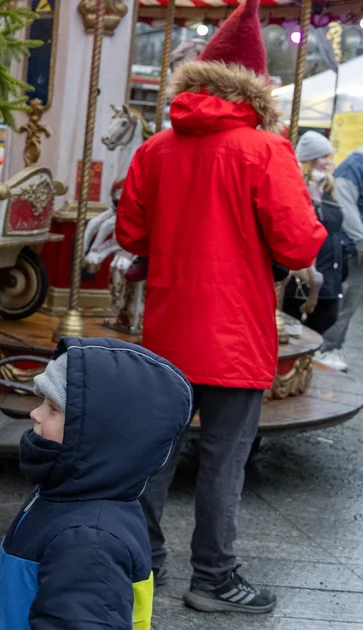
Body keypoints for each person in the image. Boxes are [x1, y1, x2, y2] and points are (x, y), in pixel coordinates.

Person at [116, 0, 327, 614]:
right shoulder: (266, 150)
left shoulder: (156, 148)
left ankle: (141, 563)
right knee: (223, 463)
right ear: (257, 88)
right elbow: (300, 240)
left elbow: (131, 235)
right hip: (236, 334)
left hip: (170, 330)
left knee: (155, 457)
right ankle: (213, 577)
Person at [0, 338, 192, 630]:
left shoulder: (88, 540)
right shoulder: (69, 494)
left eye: (52, 408)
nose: (35, 413)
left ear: (95, 435)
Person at [282, 131, 345, 338]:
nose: (329, 161)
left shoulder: (330, 186)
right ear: (311, 159)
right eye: (324, 157)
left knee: (328, 315)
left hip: (330, 259)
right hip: (309, 262)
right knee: (292, 315)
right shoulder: (299, 184)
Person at [320, 144, 363, 370]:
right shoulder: (355, 165)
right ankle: (327, 347)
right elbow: (346, 205)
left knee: (349, 300)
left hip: (352, 244)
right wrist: (361, 241)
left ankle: (330, 346)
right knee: (347, 299)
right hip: (351, 248)